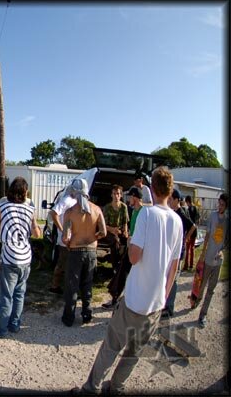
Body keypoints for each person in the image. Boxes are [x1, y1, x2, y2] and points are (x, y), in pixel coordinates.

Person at [72, 166, 182, 395]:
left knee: (111, 346)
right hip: (155, 302)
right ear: (170, 191)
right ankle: (117, 387)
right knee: (133, 353)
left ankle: (91, 388)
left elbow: (134, 256)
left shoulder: (147, 214)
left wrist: (132, 240)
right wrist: (163, 297)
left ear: (152, 188)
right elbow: (174, 266)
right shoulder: (177, 221)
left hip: (135, 299)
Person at [0, 177, 41, 337]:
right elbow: (36, 233)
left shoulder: (2, 206)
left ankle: (0, 330)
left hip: (10, 257)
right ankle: (14, 325)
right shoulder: (30, 209)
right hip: (25, 258)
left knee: (6, 296)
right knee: (20, 294)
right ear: (25, 192)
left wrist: (1, 240)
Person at [61, 178, 107, 327]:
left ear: (74, 192)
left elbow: (65, 236)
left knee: (72, 285)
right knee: (87, 284)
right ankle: (87, 315)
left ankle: (68, 317)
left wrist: (70, 241)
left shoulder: (70, 212)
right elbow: (104, 232)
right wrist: (93, 237)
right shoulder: (97, 209)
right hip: (91, 251)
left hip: (75, 251)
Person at [0, 193, 35, 297]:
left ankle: (3, 287)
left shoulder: (6, 202)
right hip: (16, 240)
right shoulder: (6, 200)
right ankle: (3, 286)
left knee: (3, 264)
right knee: (3, 264)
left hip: (11, 239)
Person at [193, 193, 228, 329]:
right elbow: (207, 235)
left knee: (211, 289)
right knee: (202, 285)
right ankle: (196, 301)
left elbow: (227, 241)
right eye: (219, 203)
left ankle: (203, 315)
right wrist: (202, 254)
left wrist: (222, 250)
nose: (219, 206)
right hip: (208, 258)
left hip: (218, 261)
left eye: (222, 205)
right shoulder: (213, 216)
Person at [162, 189, 197, 318]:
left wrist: (185, 237)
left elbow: (193, 225)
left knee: (174, 279)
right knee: (167, 277)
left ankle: (169, 308)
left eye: (171, 199)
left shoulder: (181, 213)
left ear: (177, 200)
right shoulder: (171, 213)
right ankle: (164, 305)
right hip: (171, 251)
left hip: (178, 253)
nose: (169, 201)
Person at [101, 185, 130, 309]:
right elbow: (103, 225)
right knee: (115, 242)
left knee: (124, 243)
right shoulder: (107, 208)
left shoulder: (124, 207)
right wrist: (113, 230)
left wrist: (125, 232)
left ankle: (121, 265)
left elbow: (125, 223)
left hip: (119, 232)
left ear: (121, 195)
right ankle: (115, 264)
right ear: (111, 195)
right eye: (114, 193)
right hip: (109, 233)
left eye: (118, 193)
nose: (116, 196)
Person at [48, 188, 77, 295]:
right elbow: (53, 213)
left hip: (71, 238)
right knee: (62, 263)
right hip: (65, 239)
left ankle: (63, 286)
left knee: (67, 264)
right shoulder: (67, 200)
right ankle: (54, 286)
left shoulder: (75, 200)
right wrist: (62, 230)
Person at [183, 195, 201, 271]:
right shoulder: (196, 208)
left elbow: (187, 221)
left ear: (187, 201)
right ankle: (191, 265)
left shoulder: (188, 210)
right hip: (195, 231)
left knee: (187, 249)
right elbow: (198, 219)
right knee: (192, 248)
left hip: (189, 231)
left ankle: (186, 265)